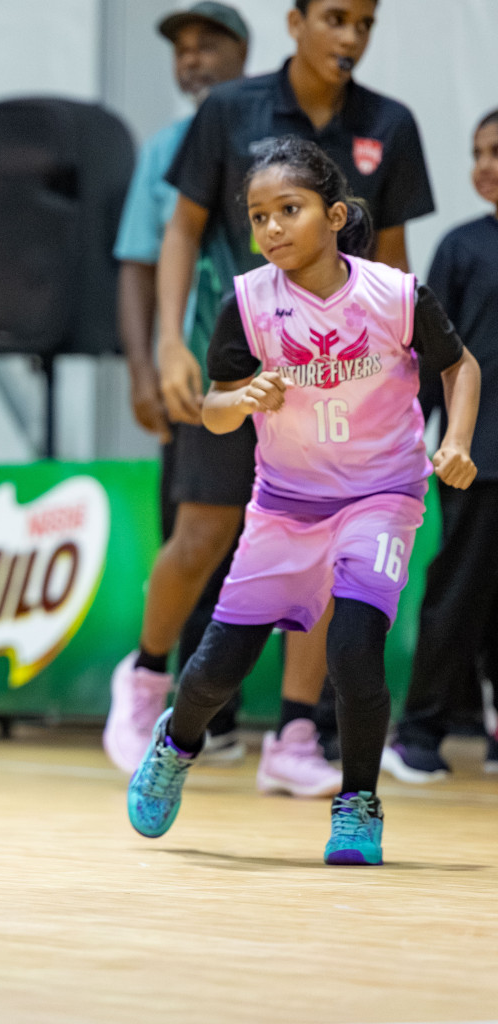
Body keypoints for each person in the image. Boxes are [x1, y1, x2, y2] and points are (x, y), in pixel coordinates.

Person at [127, 137, 479, 866]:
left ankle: (358, 805)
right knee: (216, 670)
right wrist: (237, 398)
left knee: (355, 651)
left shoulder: (395, 295)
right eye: (259, 216)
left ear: (336, 214)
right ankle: (175, 743)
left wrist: (459, 441)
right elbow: (214, 409)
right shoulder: (249, 303)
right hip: (286, 504)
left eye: (290, 209)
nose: (273, 228)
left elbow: (462, 366)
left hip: (382, 495)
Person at [122, 0, 437, 786]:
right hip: (242, 366)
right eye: (335, 18)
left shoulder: (389, 125)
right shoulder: (232, 110)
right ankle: (146, 682)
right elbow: (181, 230)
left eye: (364, 23)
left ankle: (294, 736)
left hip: (347, 391)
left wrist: (408, 390)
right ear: (293, 23)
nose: (351, 37)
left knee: (332, 560)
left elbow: (395, 270)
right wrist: (167, 343)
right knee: (200, 533)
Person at [110, 3, 295, 783]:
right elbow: (138, 263)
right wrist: (148, 369)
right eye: (181, 49)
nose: (192, 59)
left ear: (247, 50)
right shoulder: (163, 148)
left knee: (278, 542)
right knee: (196, 536)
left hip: (293, 373)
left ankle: (264, 723)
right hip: (202, 371)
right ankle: (165, 694)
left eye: (207, 43)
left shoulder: (285, 133)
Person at [384, 109, 498, 782]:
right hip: (476, 459)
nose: (485, 164)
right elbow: (432, 357)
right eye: (478, 151)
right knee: (457, 595)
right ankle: (418, 734)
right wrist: (407, 436)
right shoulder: (460, 248)